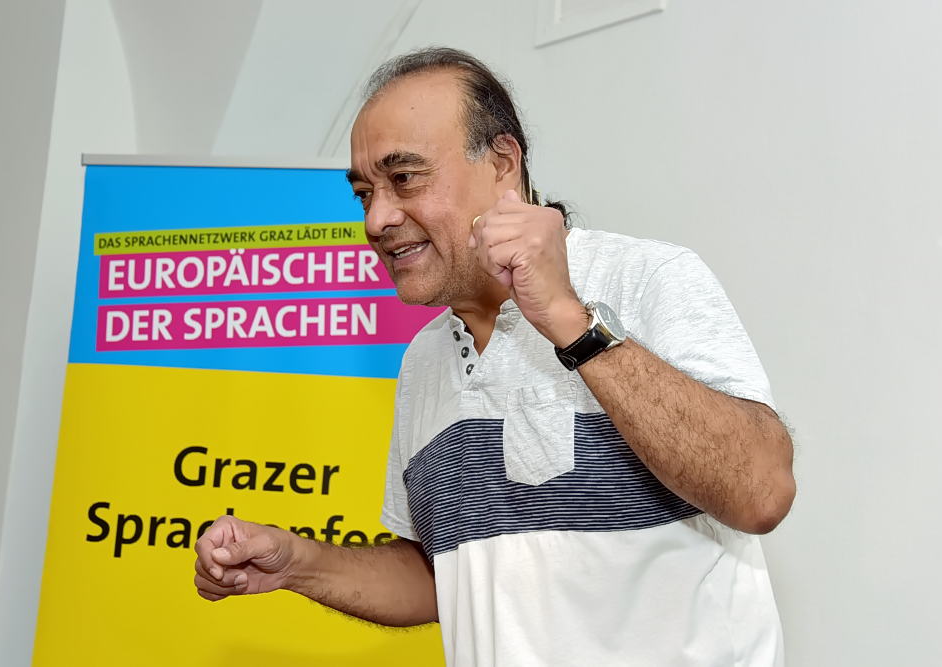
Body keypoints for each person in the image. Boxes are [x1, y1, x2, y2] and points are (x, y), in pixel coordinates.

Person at [194, 47, 796, 666]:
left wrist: (567, 319)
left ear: (503, 163)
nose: (376, 219)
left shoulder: (645, 277)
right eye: (364, 193)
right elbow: (446, 575)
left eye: (405, 179)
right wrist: (297, 562)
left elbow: (760, 491)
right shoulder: (423, 358)